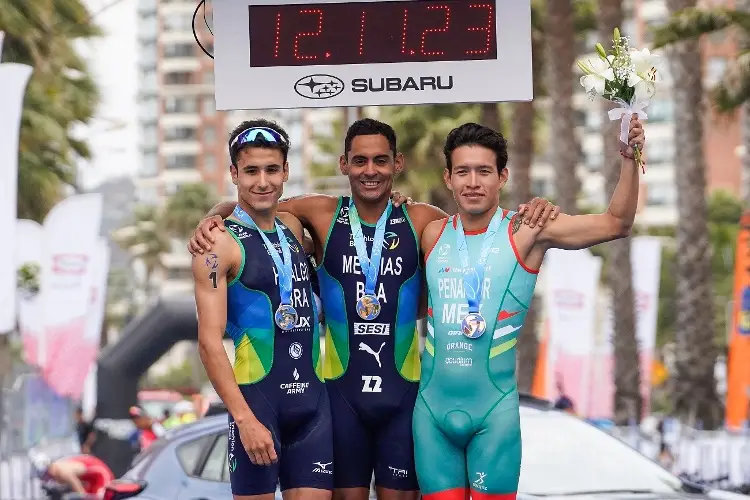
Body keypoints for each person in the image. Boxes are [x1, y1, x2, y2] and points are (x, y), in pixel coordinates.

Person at [188, 118, 558, 500]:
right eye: (360, 161)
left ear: (397, 164)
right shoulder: (317, 215)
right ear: (343, 164)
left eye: (380, 160)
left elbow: (480, 232)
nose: (370, 170)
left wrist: (536, 209)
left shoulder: (423, 219)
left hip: (402, 399)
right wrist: (212, 217)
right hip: (334, 401)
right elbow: (253, 208)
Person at [416, 117, 644, 500]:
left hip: (493, 417)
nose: (473, 182)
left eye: (484, 171)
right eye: (463, 172)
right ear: (448, 178)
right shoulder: (431, 233)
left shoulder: (528, 229)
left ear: (502, 177)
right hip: (431, 416)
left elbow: (616, 223)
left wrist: (628, 156)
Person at [193, 119, 332, 500]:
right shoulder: (217, 246)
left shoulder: (293, 227)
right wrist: (244, 419)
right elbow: (208, 343)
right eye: (251, 171)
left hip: (313, 408)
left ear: (286, 171)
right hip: (258, 405)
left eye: (272, 170)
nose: (262, 181)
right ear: (234, 173)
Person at [30, 451, 114, 497]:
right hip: (91, 479)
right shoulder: (57, 468)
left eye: (46, 476)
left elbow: (80, 493)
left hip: (101, 474)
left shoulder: (63, 472)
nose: (48, 479)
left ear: (50, 468)